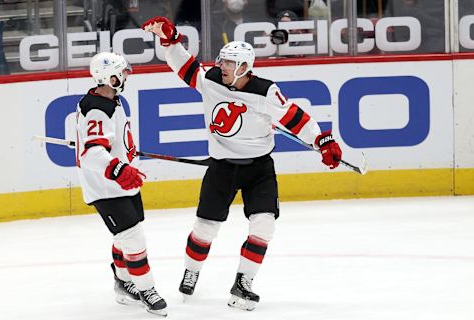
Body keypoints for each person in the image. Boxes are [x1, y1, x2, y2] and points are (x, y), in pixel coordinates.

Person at [142, 16, 342, 311]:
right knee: (205, 228)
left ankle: (243, 283)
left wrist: (321, 140)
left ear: (244, 68)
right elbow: (184, 66)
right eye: (222, 61)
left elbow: (293, 116)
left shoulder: (265, 91)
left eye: (228, 63)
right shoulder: (211, 80)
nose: (221, 66)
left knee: (264, 225)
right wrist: (170, 40)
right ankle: (192, 270)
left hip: (258, 169)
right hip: (222, 167)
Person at [75, 51, 167, 316]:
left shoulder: (110, 100)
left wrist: (123, 154)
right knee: (133, 237)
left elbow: (103, 142)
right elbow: (92, 153)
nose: (126, 76)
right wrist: (117, 168)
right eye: (122, 72)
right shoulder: (97, 108)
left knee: (126, 233)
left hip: (120, 181)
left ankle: (124, 283)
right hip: (106, 186)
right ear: (109, 76)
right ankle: (146, 288)